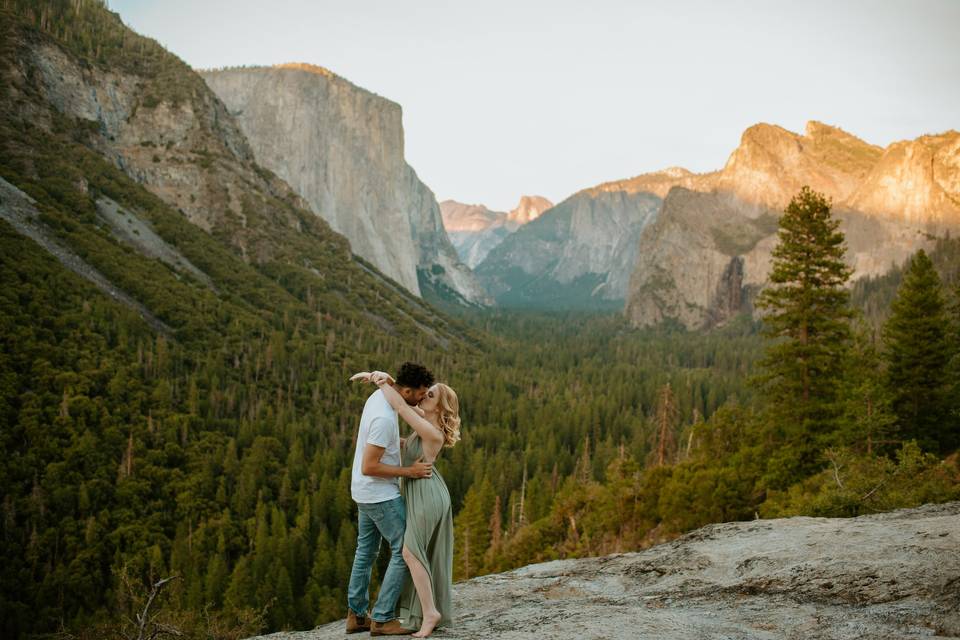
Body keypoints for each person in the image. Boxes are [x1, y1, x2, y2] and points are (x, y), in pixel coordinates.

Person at [351, 369, 459, 638]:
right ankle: (417, 611)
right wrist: (387, 378)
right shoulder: (425, 421)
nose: (424, 395)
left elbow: (400, 403)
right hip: (418, 490)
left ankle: (429, 612)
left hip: (427, 495)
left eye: (430, 394)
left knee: (410, 552)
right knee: (410, 551)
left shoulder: (432, 432)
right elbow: (404, 401)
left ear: (440, 407)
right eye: (424, 390)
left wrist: (380, 380)